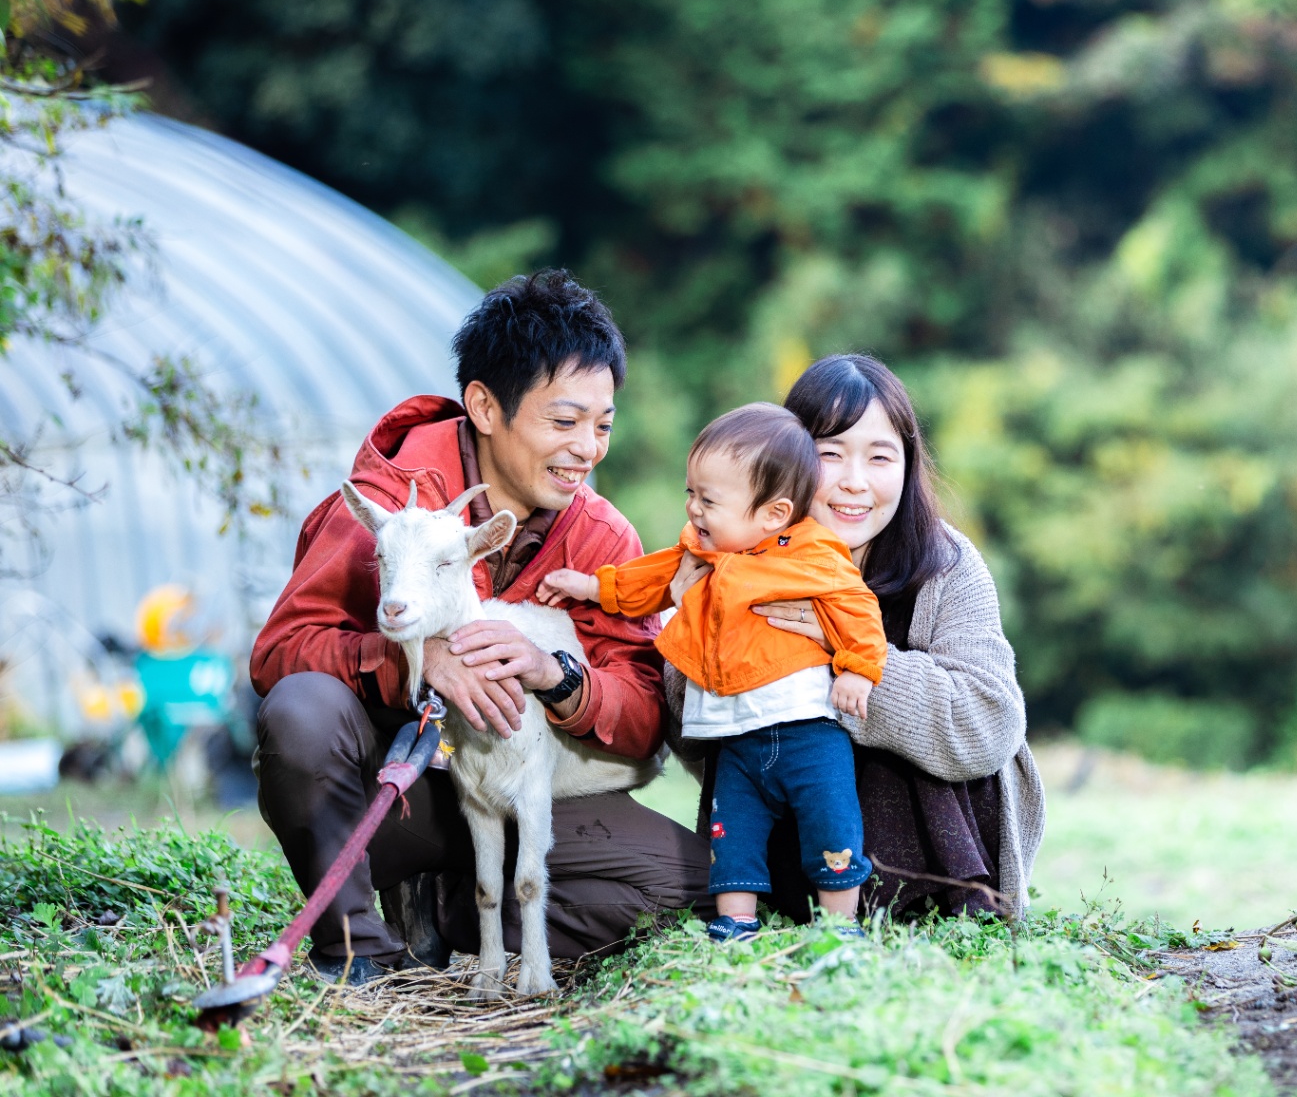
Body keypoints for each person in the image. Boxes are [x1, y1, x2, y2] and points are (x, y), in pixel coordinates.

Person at [250, 269, 710, 984]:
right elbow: (279, 653)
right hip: (404, 797)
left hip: (529, 796)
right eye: (564, 422)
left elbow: (645, 712)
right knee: (303, 713)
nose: (588, 449)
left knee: (693, 890)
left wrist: (558, 678)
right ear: (485, 407)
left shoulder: (602, 537)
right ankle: (357, 947)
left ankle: (457, 913)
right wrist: (417, 657)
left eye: (603, 425)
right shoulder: (381, 507)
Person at [667, 355, 1045, 920]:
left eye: (879, 457)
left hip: (933, 859)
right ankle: (771, 909)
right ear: (784, 463)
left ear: (907, 465)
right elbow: (692, 734)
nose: (854, 482)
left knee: (882, 746)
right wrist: (694, 616)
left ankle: (932, 910)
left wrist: (850, 659)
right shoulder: (732, 553)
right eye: (830, 454)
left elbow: (989, 722)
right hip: (785, 831)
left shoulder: (948, 564)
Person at [540, 404, 888, 942]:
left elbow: (857, 608)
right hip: (736, 739)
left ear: (773, 514)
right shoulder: (700, 549)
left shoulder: (813, 554)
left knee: (832, 824)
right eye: (690, 493)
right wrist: (593, 588)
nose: (693, 509)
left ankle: (840, 925)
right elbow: (650, 577)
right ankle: (736, 920)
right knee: (733, 835)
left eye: (708, 499)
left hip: (808, 732)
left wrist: (858, 670)